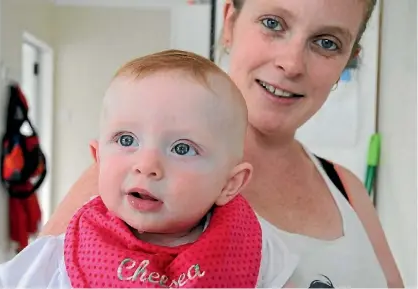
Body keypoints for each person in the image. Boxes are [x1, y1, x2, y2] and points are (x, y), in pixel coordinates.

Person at [40, 0, 404, 287]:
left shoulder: (347, 188)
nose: (292, 64)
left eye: (327, 43)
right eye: (273, 23)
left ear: (347, 61)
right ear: (230, 21)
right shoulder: (133, 181)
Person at [0, 50, 299, 288]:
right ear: (99, 158)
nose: (146, 166)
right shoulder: (61, 255)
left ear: (229, 184)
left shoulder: (254, 247)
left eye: (182, 148)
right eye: (126, 139)